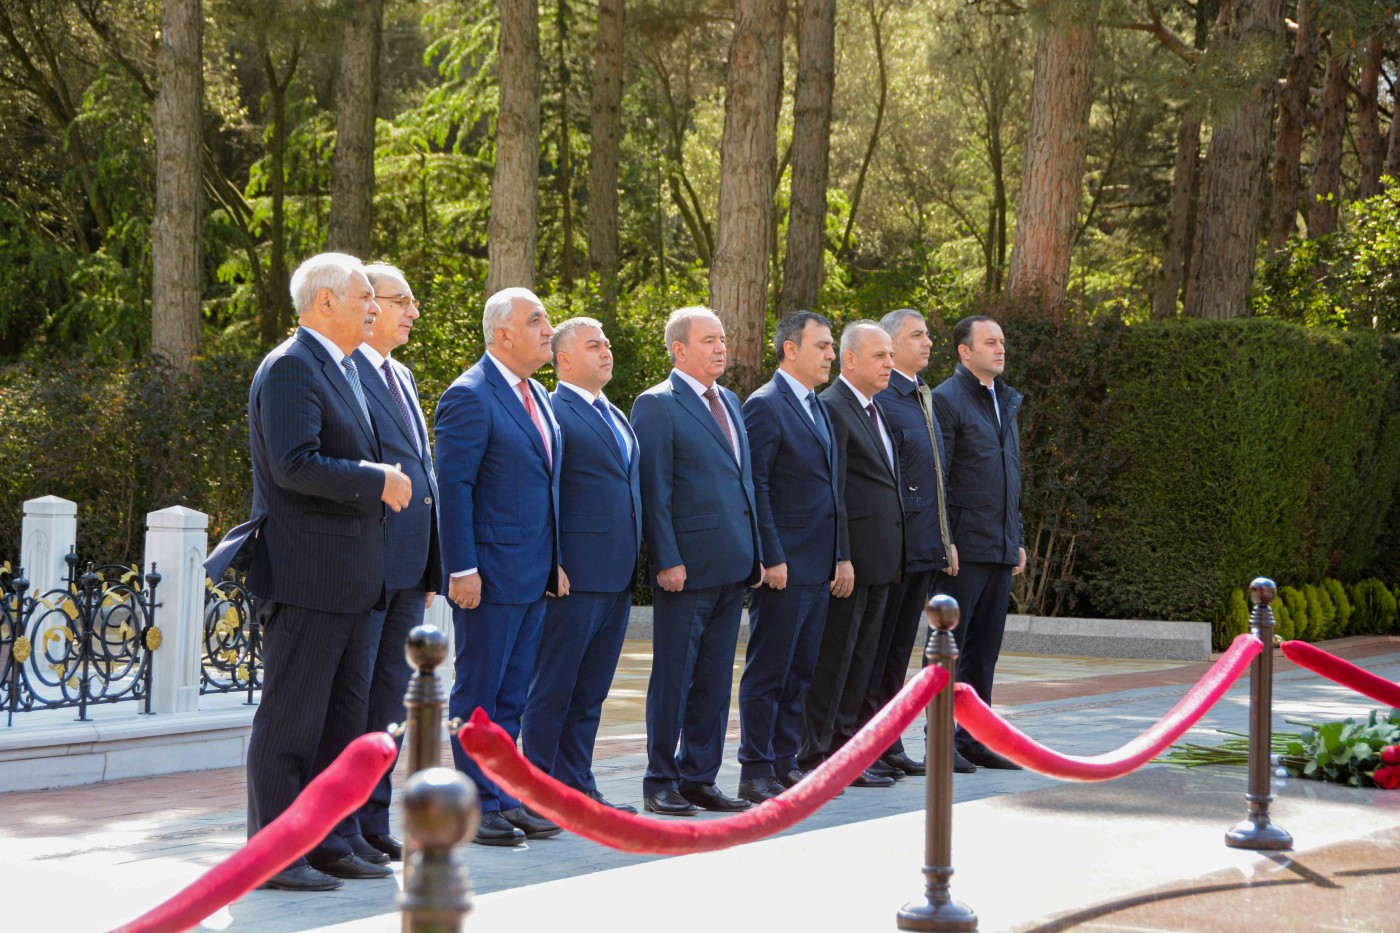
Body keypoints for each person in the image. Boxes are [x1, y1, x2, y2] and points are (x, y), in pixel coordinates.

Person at [204, 252, 411, 891]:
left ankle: (325, 840)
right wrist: (376, 480)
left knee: (340, 726)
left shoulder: (342, 368)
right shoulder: (293, 367)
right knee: (292, 724)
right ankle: (272, 853)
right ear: (324, 302)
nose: (373, 307)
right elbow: (296, 465)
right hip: (308, 577)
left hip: (352, 580)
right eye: (362, 297)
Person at [435, 287, 569, 845]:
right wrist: (461, 567)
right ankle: (474, 803)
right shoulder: (470, 395)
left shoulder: (535, 394)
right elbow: (455, 488)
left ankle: (505, 795)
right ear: (503, 333)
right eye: (536, 320)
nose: (548, 330)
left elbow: (543, 486)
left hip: (533, 573)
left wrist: (554, 562)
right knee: (481, 694)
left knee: (513, 697)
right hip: (487, 577)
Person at [632, 306, 762, 816]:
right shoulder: (656, 405)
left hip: (733, 562)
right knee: (674, 676)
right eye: (709, 340)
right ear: (679, 349)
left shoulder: (729, 400)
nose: (721, 347)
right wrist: (666, 557)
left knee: (713, 677)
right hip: (685, 568)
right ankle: (659, 779)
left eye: (723, 338)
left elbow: (743, 483)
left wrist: (757, 551)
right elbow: (655, 488)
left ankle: (699, 777)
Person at [521, 317, 641, 814]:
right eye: (594, 346)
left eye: (607, 343)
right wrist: (556, 562)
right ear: (563, 358)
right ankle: (540, 790)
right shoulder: (554, 410)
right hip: (574, 577)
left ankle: (578, 785)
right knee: (553, 688)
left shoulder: (614, 412)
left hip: (616, 574)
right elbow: (543, 493)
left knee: (591, 691)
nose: (606, 351)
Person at [342, 263, 441, 862]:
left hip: (408, 571)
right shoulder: (343, 370)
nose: (413, 311)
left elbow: (424, 477)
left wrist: (433, 565)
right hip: (367, 567)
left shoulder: (399, 374)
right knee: (353, 705)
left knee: (387, 705)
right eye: (401, 300)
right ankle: (342, 827)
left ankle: (373, 822)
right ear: (368, 304)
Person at [735, 311, 848, 804]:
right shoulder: (765, 405)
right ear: (790, 349)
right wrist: (770, 555)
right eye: (822, 346)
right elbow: (755, 485)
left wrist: (841, 556)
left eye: (831, 347)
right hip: (783, 567)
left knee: (800, 672)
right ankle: (754, 769)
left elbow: (831, 488)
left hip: (818, 565)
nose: (831, 355)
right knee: (769, 672)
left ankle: (784, 763)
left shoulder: (819, 407)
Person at [800, 321, 905, 788]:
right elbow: (834, 491)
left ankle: (848, 750)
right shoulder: (833, 408)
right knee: (836, 660)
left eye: (890, 355)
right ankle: (820, 754)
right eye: (880, 356)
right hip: (851, 561)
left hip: (882, 557)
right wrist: (841, 554)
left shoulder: (874, 410)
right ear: (850, 360)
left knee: (862, 661)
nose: (889, 363)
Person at [865, 308, 965, 776]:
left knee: (899, 653)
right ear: (890, 344)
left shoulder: (922, 395)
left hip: (926, 546)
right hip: (895, 549)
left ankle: (890, 743)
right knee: (879, 652)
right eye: (917, 335)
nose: (928, 342)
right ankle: (871, 745)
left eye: (928, 334)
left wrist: (946, 540)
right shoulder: (883, 398)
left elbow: (935, 479)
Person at [930, 314, 1025, 771]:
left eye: (1002, 341)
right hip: (963, 549)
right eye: (990, 342)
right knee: (952, 648)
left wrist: (1017, 538)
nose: (1000, 348)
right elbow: (940, 478)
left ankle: (975, 739)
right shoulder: (946, 400)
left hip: (999, 547)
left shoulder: (1004, 401)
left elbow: (1012, 477)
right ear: (964, 352)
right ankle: (941, 740)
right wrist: (946, 540)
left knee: (984, 653)